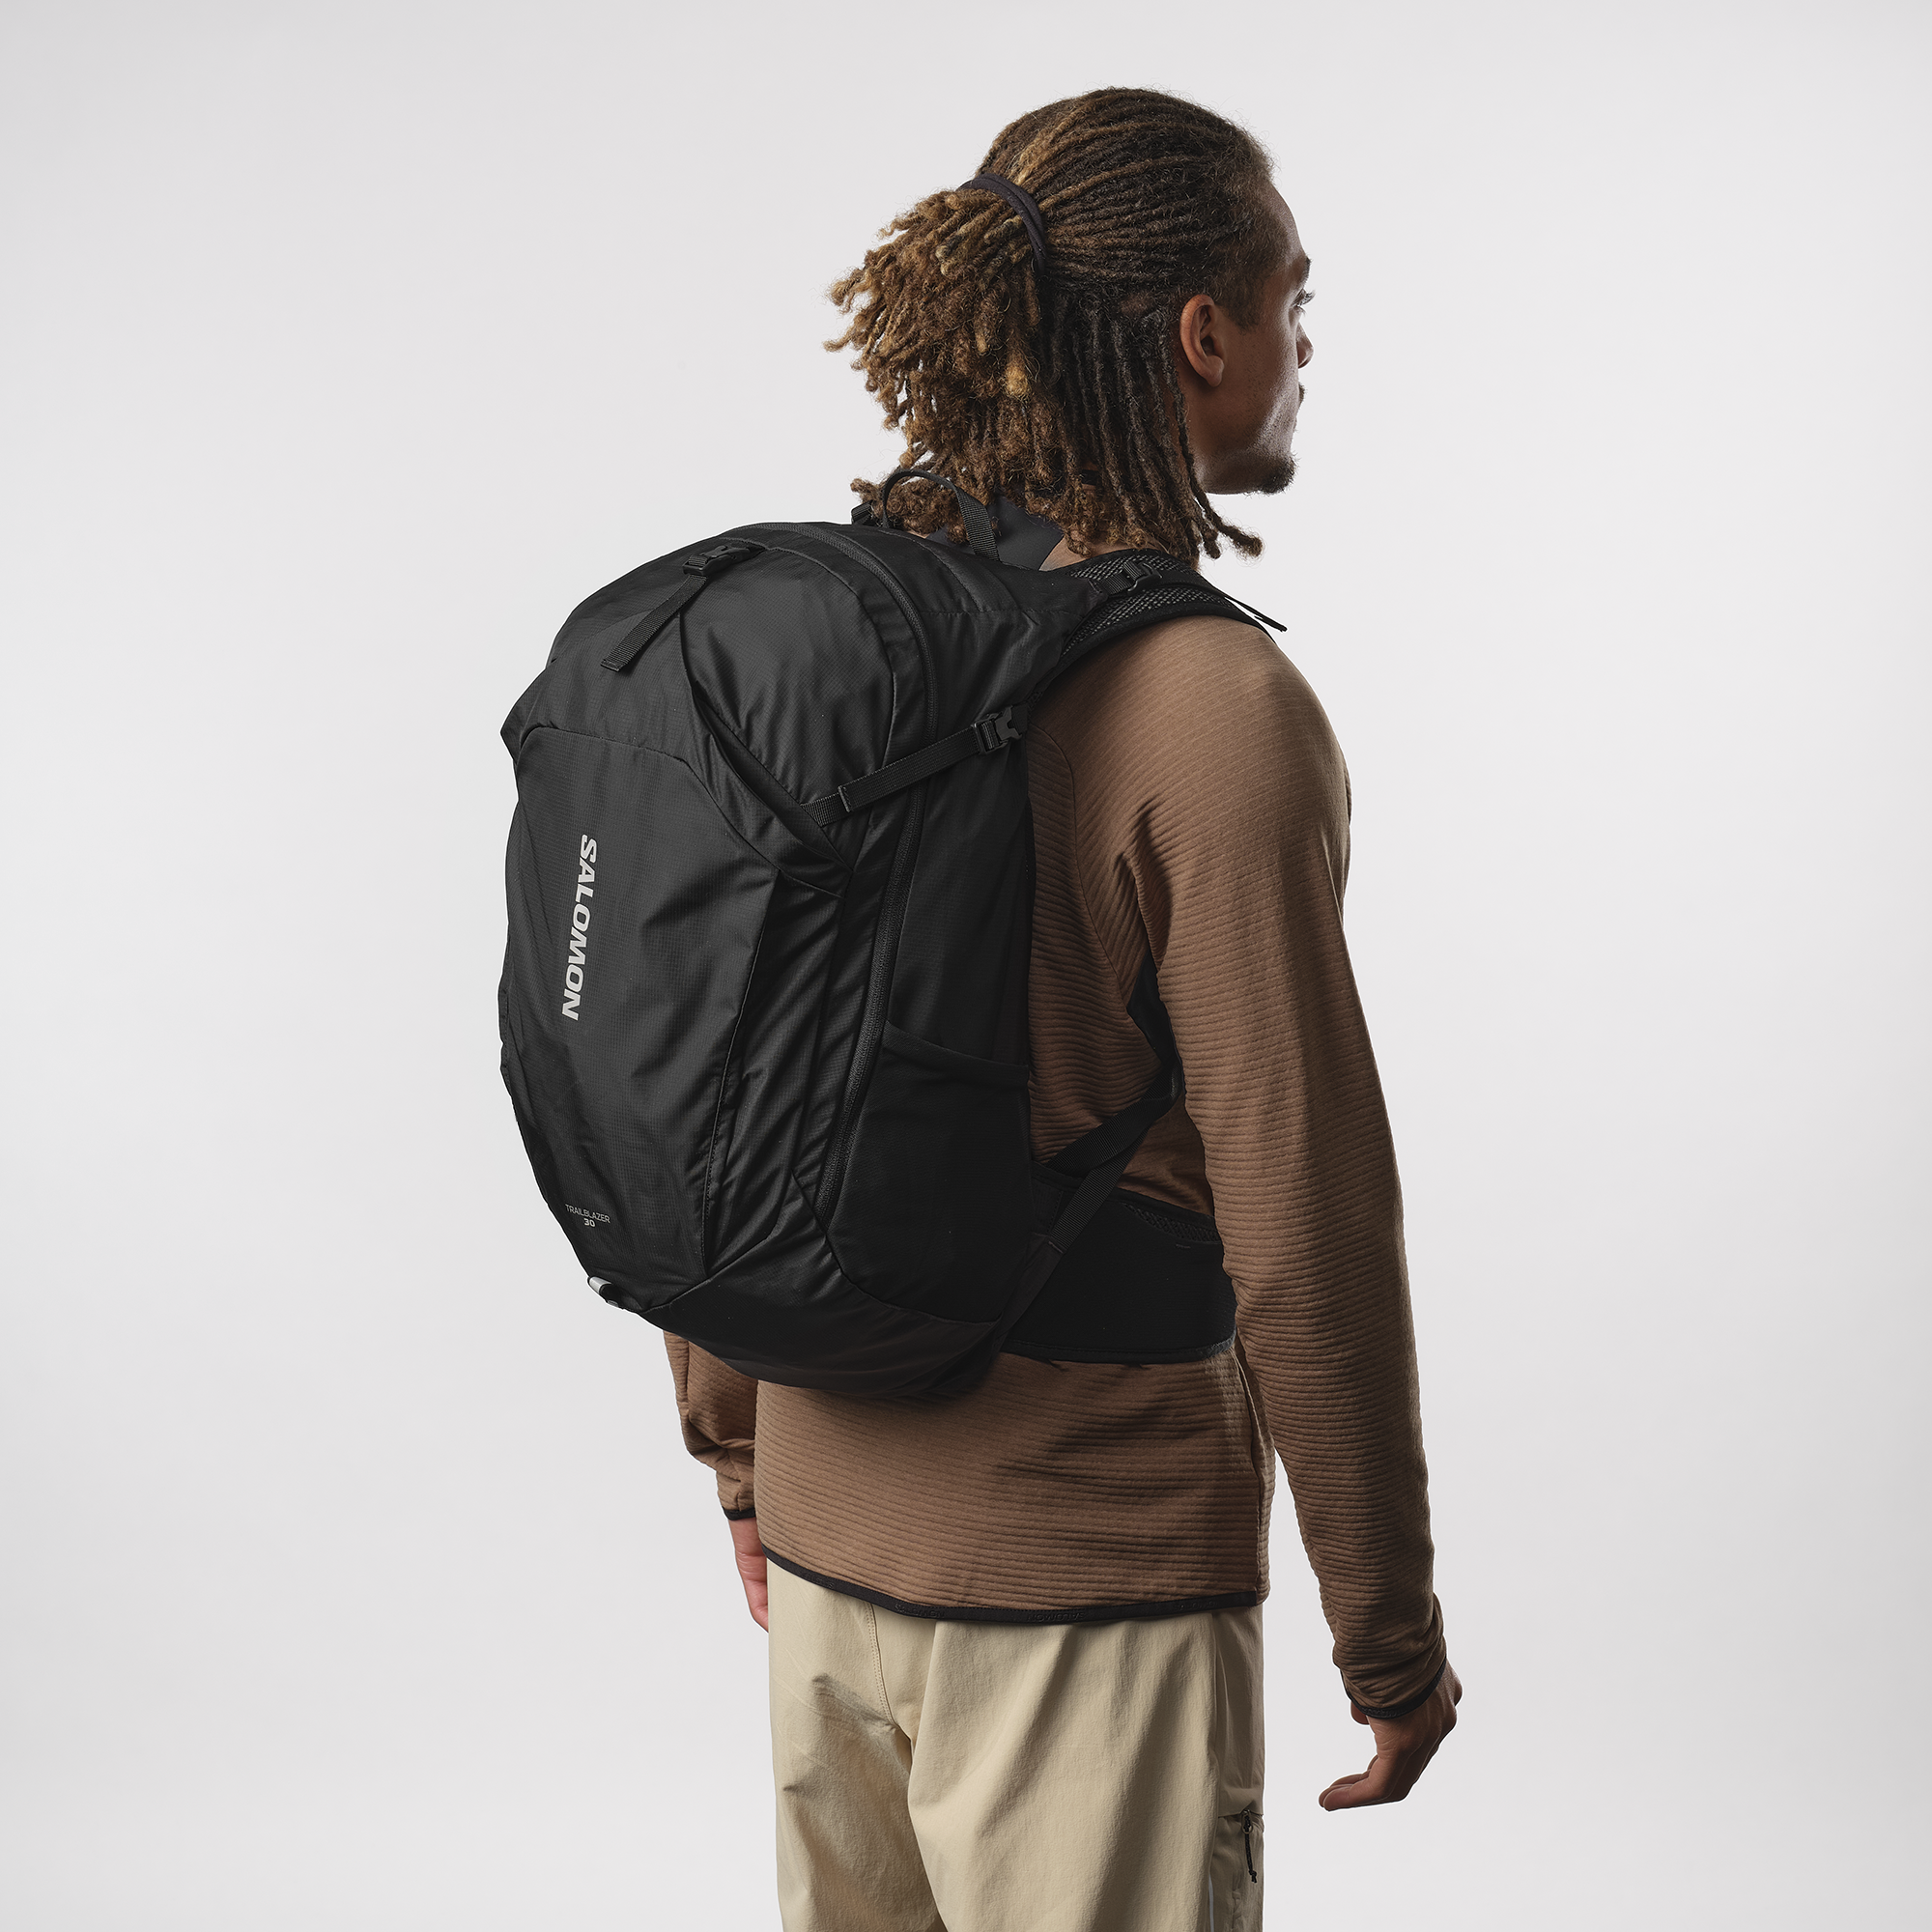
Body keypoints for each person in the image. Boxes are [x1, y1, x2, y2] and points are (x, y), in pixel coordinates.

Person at [663, 86, 1460, 1932]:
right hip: (1087, 1598)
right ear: (1202, 334)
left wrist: (744, 1463)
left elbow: (710, 1070)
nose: (1307, 347)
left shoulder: (842, 630)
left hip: (828, 1556)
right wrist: (1387, 1630)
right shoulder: (1209, 705)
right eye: (1294, 301)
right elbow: (1302, 1212)